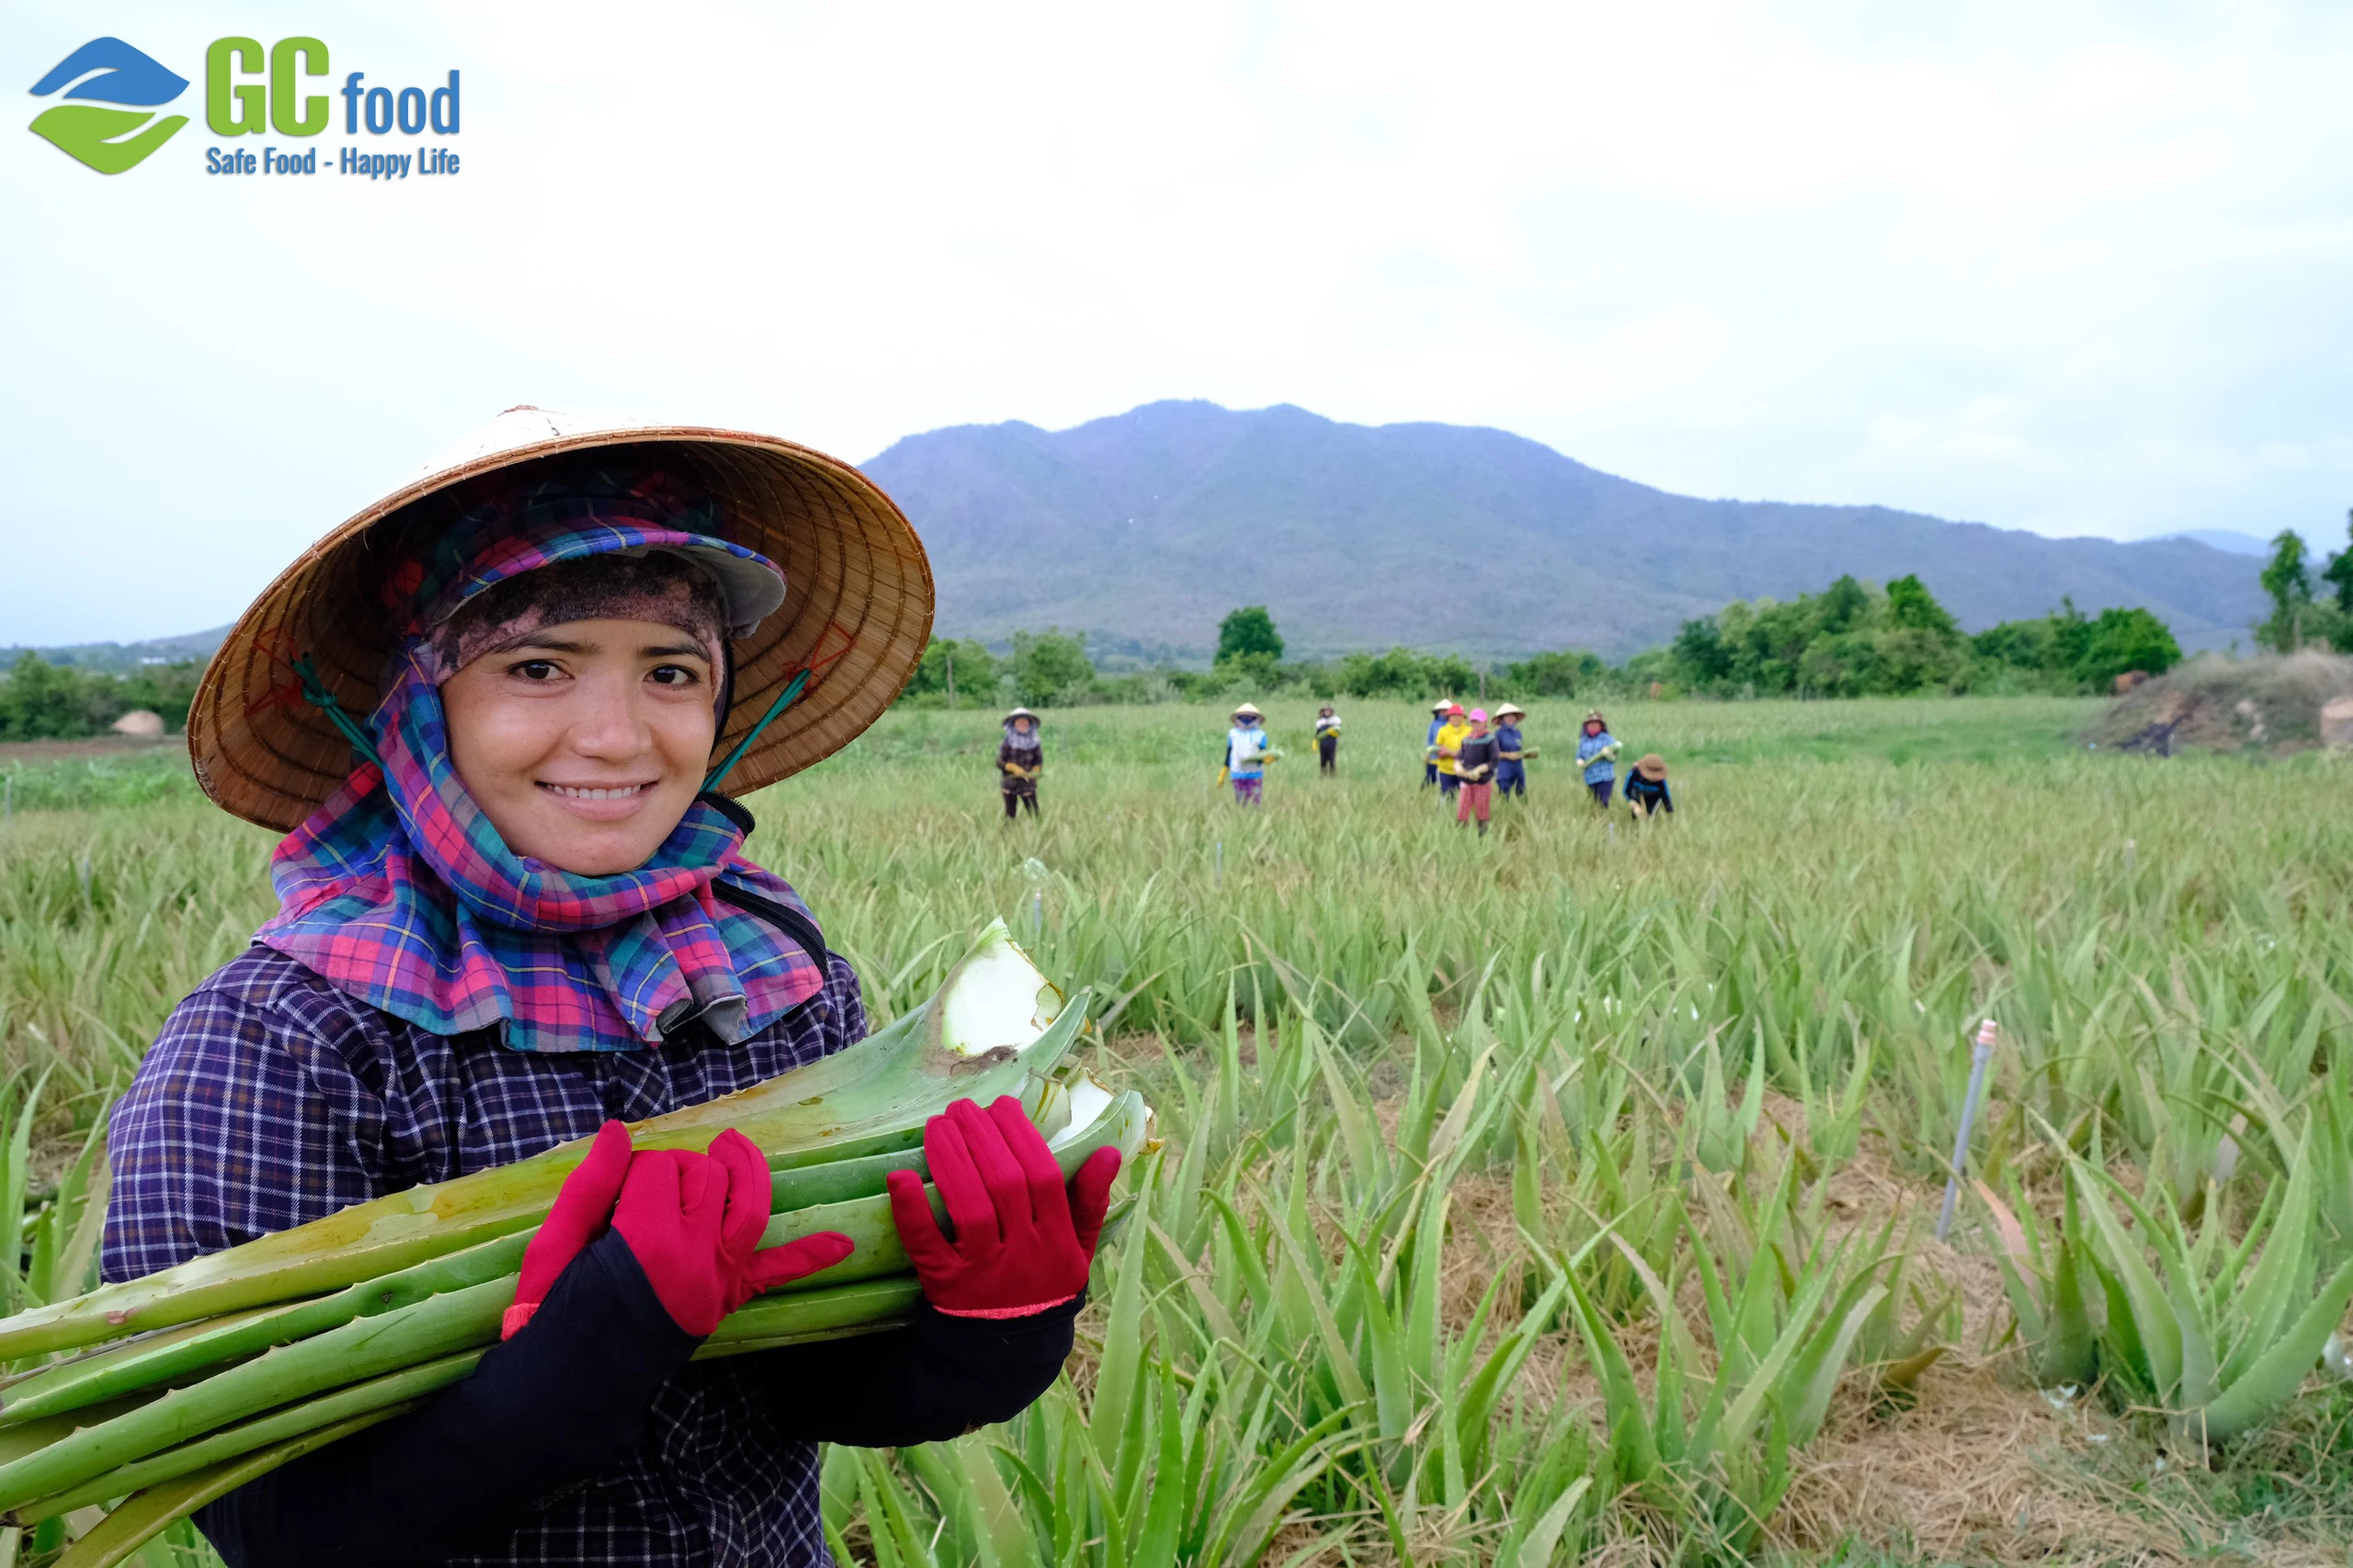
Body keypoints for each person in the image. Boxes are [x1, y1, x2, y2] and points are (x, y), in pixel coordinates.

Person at [104, 409, 1119, 1568]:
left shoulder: (777, 978)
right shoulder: (287, 1036)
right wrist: (582, 1358)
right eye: (538, 666)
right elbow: (275, 1527)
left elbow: (809, 1392)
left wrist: (991, 1328)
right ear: (421, 701)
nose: (615, 734)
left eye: (671, 671)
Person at [1449, 708, 1501, 835]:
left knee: (1482, 811)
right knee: (1462, 809)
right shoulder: (1467, 739)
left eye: (1478, 721)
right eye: (1473, 722)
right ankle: (1460, 836)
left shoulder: (1490, 739)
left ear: (1485, 722)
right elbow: (1459, 757)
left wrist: (1478, 770)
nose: (1475, 724)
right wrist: (1458, 767)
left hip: (1482, 781)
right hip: (1466, 781)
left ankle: (1482, 837)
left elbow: (1494, 760)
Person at [999, 706, 1042, 819]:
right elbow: (999, 762)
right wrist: (1011, 767)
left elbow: (1039, 760)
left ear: (1030, 723)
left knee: (1034, 813)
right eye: (1019, 722)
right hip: (1010, 783)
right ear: (1013, 724)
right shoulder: (1007, 741)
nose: (1022, 724)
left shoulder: (1034, 742)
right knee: (1010, 815)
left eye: (1025, 722)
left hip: (1027, 783)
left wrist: (1035, 770)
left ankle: (1040, 833)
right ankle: (1007, 834)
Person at [1225, 701, 1271, 805]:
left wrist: (1267, 759)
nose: (1246, 719)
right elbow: (1229, 752)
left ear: (1256, 719)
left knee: (1255, 800)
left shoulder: (1260, 735)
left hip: (1255, 773)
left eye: (1250, 717)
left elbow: (1263, 753)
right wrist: (1224, 770)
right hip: (1237, 772)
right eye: (1243, 716)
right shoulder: (1232, 733)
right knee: (1240, 800)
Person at [1577, 709, 1620, 808]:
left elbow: (1614, 758)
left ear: (1601, 726)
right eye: (1591, 724)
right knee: (1593, 803)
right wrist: (1579, 761)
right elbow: (1579, 755)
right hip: (1590, 778)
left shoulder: (1607, 739)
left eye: (1596, 723)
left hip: (1604, 777)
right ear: (1586, 726)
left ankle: (1604, 821)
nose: (1593, 726)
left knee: (1603, 803)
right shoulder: (1583, 741)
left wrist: (1608, 754)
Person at [1431, 701, 1470, 803]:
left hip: (1464, 770)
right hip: (1445, 770)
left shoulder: (1469, 731)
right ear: (1449, 717)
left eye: (1459, 716)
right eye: (1453, 716)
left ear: (1463, 717)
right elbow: (1438, 750)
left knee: (1464, 798)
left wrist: (1450, 752)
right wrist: (1457, 752)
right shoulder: (1442, 731)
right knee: (1447, 796)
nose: (1456, 718)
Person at [1492, 702, 1531, 799]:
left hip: (1518, 768)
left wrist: (1525, 754)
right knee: (1504, 797)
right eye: (1507, 716)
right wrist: (1509, 756)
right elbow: (1493, 753)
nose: (1510, 718)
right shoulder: (1498, 734)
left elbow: (1518, 749)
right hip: (1504, 770)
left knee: (1522, 795)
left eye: (1512, 716)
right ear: (1502, 719)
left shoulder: (1518, 733)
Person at [1625, 753, 1674, 819]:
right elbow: (1627, 791)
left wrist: (1670, 811)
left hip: (1654, 796)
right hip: (1637, 794)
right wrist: (1635, 805)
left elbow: (1665, 796)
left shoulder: (1661, 781)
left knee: (1649, 816)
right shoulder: (1634, 773)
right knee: (1635, 815)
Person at [1423, 699, 1450, 787]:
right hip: (1434, 757)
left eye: (1447, 710)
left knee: (1446, 781)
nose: (1444, 712)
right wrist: (1429, 753)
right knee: (1430, 778)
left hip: (1448, 756)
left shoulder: (1452, 724)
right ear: (1438, 712)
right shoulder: (1434, 724)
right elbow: (1430, 740)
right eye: (1442, 710)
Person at [1314, 704, 1342, 774]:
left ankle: (1333, 775)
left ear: (1331, 711)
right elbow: (1318, 733)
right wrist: (1315, 740)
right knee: (1323, 760)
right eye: (1326, 710)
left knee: (1331, 759)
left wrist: (1332, 732)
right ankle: (1323, 775)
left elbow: (1339, 731)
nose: (1327, 712)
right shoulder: (1320, 721)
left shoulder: (1336, 720)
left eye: (1328, 710)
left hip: (1332, 742)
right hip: (1323, 743)